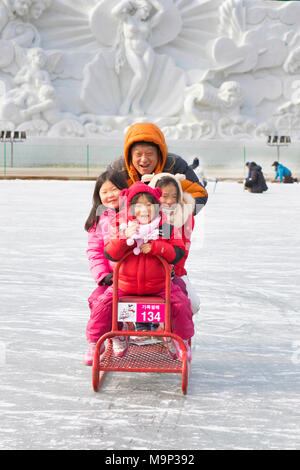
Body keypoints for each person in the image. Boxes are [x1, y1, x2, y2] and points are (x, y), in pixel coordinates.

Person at [86, 182, 194, 361]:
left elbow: (178, 253)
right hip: (125, 285)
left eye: (149, 205)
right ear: (129, 208)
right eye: (138, 206)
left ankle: (181, 340)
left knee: (181, 304)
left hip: (159, 285)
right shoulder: (120, 226)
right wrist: (124, 237)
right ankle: (94, 343)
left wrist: (156, 247)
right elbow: (110, 252)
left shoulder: (166, 227)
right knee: (101, 305)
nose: (144, 210)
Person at [107, 122, 208, 212]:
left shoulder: (174, 165)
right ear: (129, 155)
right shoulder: (117, 170)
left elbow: (199, 193)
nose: (144, 159)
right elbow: (104, 199)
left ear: (159, 154)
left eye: (149, 154)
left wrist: (176, 213)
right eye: (138, 154)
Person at [83, 170, 128, 365]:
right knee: (97, 300)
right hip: (112, 277)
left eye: (115, 189)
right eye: (104, 192)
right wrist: (103, 275)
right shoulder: (98, 220)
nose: (110, 195)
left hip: (137, 277)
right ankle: (113, 334)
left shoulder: (137, 213)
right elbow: (95, 251)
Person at [142, 172, 200, 314]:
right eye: (164, 196)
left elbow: (182, 251)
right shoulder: (143, 215)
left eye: (174, 197)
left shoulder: (184, 217)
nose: (169, 201)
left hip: (175, 271)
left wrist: (173, 270)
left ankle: (175, 330)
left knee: (192, 304)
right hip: (146, 272)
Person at [111, 0, 166, 115]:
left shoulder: (147, 23)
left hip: (147, 51)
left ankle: (136, 103)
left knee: (145, 78)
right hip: (131, 49)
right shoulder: (127, 19)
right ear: (138, 8)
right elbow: (114, 12)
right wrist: (128, 2)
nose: (147, 14)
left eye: (149, 11)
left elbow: (162, 11)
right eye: (146, 10)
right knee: (140, 75)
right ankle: (126, 103)